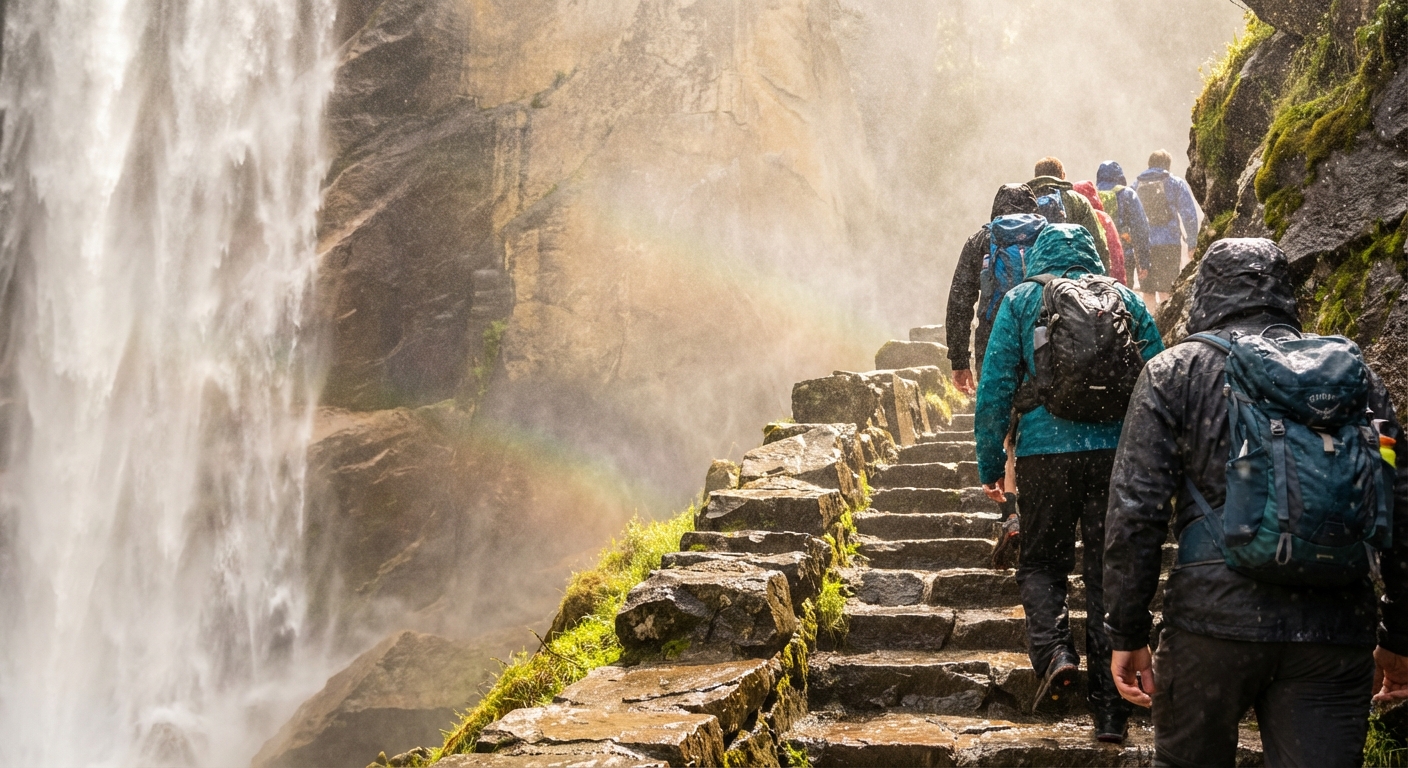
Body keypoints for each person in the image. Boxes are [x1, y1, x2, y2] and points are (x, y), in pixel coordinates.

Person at [1103, 238, 1408, 767]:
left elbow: (1136, 510)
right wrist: (1400, 633)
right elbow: (1399, 505)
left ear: (1205, 293)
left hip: (1210, 628)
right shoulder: (1353, 379)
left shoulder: (1175, 372)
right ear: (1286, 294)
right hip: (1331, 626)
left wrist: (1127, 630)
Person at [975, 224, 1164, 742]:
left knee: (1041, 561)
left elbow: (993, 388)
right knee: (1108, 575)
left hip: (1041, 454)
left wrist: (990, 462)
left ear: (1040, 254)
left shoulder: (1019, 300)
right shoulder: (1122, 299)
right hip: (1113, 455)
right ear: (1093, 254)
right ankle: (1111, 711)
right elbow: (1159, 375)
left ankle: (1055, 652)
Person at [945, 184, 1041, 396]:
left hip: (994, 337)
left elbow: (959, 302)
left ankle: (1001, 430)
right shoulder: (1049, 236)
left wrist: (960, 360)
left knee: (996, 406)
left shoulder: (980, 241)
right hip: (1041, 334)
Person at [1133, 150, 1199, 305]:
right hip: (1169, 244)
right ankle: (1165, 326)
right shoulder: (1174, 183)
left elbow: (1133, 217)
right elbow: (1189, 214)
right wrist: (1192, 243)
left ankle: (1151, 326)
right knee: (1166, 290)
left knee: (1147, 292)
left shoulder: (1136, 185)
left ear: (1149, 164)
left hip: (1145, 246)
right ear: (1167, 166)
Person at [1027, 157, 1111, 274]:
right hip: (1074, 272)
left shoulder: (1026, 201)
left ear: (1036, 177)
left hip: (1037, 274)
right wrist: (1104, 277)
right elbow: (1097, 241)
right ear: (1063, 175)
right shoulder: (1078, 200)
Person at [1095, 161, 1152, 290]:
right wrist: (1143, 262)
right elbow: (1140, 228)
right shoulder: (1128, 194)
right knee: (1124, 293)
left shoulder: (1093, 194)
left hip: (1100, 254)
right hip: (1124, 255)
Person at [1072, 180, 1127, 285]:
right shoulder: (1103, 217)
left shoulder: (1072, 220)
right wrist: (1120, 281)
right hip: (1105, 279)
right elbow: (1115, 251)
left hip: (1079, 280)